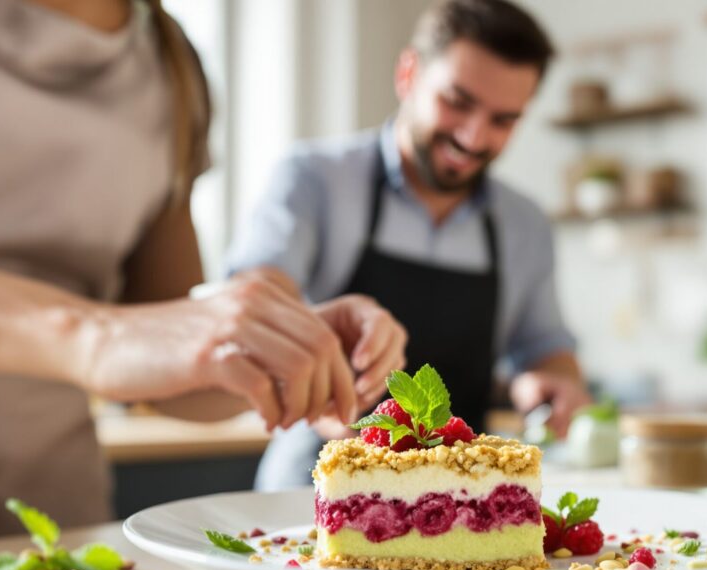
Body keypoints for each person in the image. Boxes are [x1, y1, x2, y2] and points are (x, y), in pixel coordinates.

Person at [0, 0, 405, 566]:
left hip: (54, 552)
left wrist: (282, 346)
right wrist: (88, 334)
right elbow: (113, 338)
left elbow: (167, 361)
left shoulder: (169, 64)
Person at [227, 0, 593, 490]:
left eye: (503, 120)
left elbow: (545, 349)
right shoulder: (313, 179)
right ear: (408, 75)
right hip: (315, 484)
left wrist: (558, 383)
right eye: (457, 102)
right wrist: (313, 374)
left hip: (459, 499)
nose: (472, 136)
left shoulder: (525, 224)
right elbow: (252, 303)